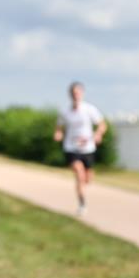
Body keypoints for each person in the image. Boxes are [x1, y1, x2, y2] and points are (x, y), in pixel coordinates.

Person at [54, 82, 107, 215]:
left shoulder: (89, 109)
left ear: (82, 93)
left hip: (88, 148)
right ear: (70, 95)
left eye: (77, 92)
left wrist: (98, 134)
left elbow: (102, 124)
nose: (75, 95)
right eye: (73, 93)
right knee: (79, 173)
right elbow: (59, 126)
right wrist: (58, 133)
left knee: (87, 178)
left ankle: (82, 186)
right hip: (71, 148)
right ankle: (82, 204)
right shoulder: (65, 112)